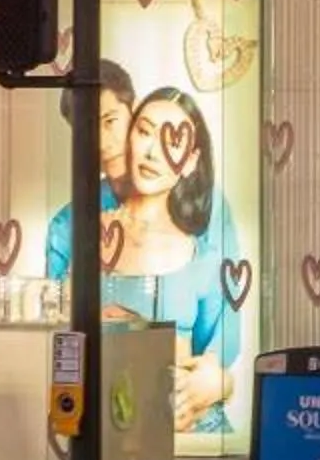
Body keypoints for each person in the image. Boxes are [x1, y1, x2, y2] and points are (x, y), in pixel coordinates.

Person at [102, 87, 241, 437]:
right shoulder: (84, 233)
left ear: (191, 161)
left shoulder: (204, 256)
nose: (153, 152)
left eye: (173, 142)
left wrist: (215, 382)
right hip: (110, 435)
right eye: (145, 131)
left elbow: (222, 345)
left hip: (196, 443)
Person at [41, 59, 138, 280]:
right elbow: (58, 310)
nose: (102, 142)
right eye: (87, 129)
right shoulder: (66, 226)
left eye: (110, 121)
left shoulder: (195, 206)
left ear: (135, 109)